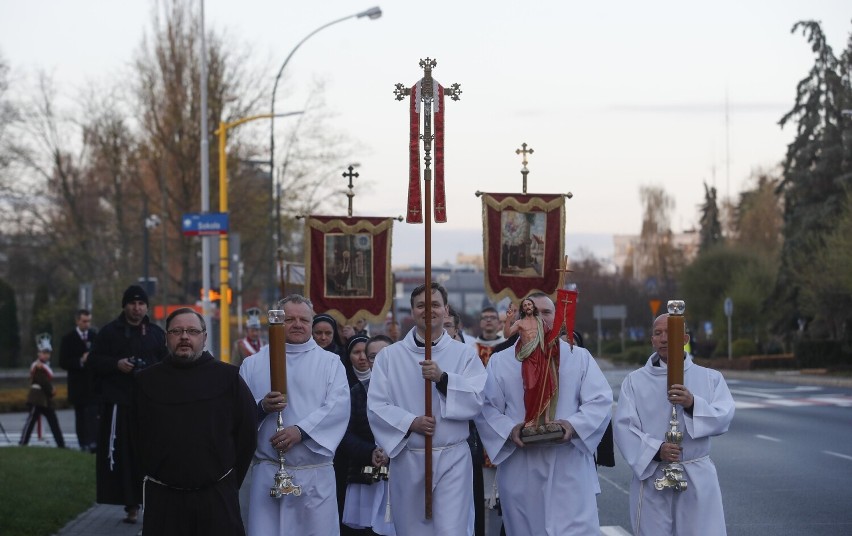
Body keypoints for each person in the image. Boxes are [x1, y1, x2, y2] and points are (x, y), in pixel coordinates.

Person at [474, 293, 613, 535]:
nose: (538, 316)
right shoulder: (501, 361)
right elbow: (486, 408)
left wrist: (572, 425)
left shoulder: (578, 357)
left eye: (546, 312)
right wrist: (510, 429)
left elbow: (600, 400)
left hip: (568, 464)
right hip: (521, 466)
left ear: (557, 318)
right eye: (532, 311)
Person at [367, 282, 487, 536]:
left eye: (434, 304)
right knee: (412, 530)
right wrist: (411, 422)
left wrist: (444, 379)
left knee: (450, 530)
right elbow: (376, 405)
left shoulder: (464, 354)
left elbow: (477, 399)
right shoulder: (390, 357)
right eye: (421, 305)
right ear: (412, 311)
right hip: (409, 458)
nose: (428, 310)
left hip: (452, 459)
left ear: (445, 310)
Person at [134, 308, 257, 535]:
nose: (184, 337)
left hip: (216, 496)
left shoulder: (228, 378)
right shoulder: (146, 381)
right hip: (164, 499)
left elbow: (247, 434)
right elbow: (134, 437)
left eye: (192, 331)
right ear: (166, 337)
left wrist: (229, 479)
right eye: (176, 331)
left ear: (204, 337)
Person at [613, 313, 735, 536]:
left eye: (670, 333)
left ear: (685, 339)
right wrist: (656, 450)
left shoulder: (710, 378)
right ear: (652, 340)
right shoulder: (635, 382)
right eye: (658, 333)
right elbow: (623, 427)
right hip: (653, 476)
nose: (663, 338)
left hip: (696, 474)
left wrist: (692, 404)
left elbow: (724, 415)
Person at [239, 294, 351, 536]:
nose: (298, 324)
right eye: (290, 319)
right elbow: (237, 413)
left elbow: (338, 407)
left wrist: (301, 432)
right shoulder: (253, 364)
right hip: (268, 473)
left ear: (312, 322)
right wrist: (261, 408)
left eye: (304, 319)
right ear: (278, 321)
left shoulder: (330, 363)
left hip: (314, 474)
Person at [89, 284, 167, 524]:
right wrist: (117, 364)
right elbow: (93, 362)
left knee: (149, 453)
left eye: (141, 304)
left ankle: (151, 502)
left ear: (147, 307)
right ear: (124, 306)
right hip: (119, 404)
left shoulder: (154, 333)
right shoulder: (110, 332)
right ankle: (130, 505)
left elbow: (166, 363)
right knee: (122, 456)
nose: (137, 308)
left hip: (148, 404)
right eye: (132, 303)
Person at [339, 335, 396, 536]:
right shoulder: (356, 392)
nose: (378, 361)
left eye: (384, 355)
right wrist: (370, 451)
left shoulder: (412, 390)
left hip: (402, 475)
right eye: (373, 357)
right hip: (367, 476)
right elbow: (344, 434)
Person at [334, 334, 371, 532]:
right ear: (349, 356)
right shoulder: (344, 384)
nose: (362, 357)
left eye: (366, 352)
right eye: (356, 352)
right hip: (352, 465)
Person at [59, 308, 99, 452]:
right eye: (84, 321)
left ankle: (93, 442)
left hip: (92, 385)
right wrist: (80, 361)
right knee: (81, 415)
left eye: (88, 321)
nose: (87, 324)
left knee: (93, 416)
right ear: (77, 321)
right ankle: (83, 442)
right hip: (77, 385)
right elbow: (63, 362)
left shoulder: (95, 336)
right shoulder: (68, 338)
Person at [19, 333, 66, 448]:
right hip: (37, 398)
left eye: (48, 353)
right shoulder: (38, 366)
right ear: (39, 353)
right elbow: (43, 381)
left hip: (44, 399)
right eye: (44, 353)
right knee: (31, 422)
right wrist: (51, 390)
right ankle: (23, 442)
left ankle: (61, 444)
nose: (46, 355)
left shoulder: (44, 366)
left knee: (53, 422)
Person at [314, 312, 357, 387]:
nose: (323, 337)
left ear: (334, 333)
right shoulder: (303, 354)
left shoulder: (343, 356)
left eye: (328, 333)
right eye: (318, 333)